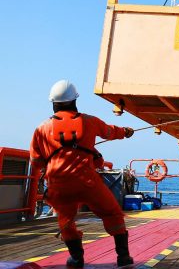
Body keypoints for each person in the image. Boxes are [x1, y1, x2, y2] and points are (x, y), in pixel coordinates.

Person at [29, 80, 135, 268]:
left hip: (59, 186)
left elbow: (36, 162)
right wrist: (125, 132)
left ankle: (77, 259)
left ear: (53, 103)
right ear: (75, 100)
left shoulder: (41, 129)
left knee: (66, 220)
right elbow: (110, 132)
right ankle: (123, 257)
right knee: (112, 213)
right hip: (88, 183)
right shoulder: (90, 121)